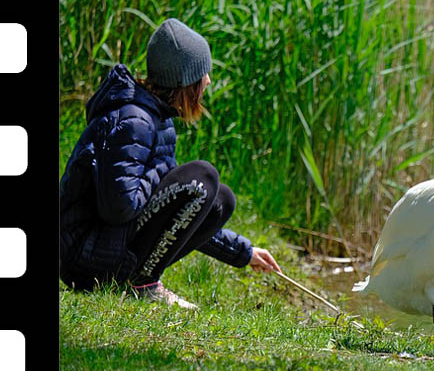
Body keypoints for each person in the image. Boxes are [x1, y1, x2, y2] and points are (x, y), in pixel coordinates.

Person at [60, 18, 282, 308]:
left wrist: (243, 252)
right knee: (203, 177)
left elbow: (174, 215)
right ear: (183, 80)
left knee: (220, 199)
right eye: (202, 73)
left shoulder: (157, 119)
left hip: (104, 247)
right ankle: (142, 283)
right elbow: (118, 207)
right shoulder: (134, 121)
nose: (208, 81)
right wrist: (160, 176)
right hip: (85, 259)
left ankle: (139, 280)